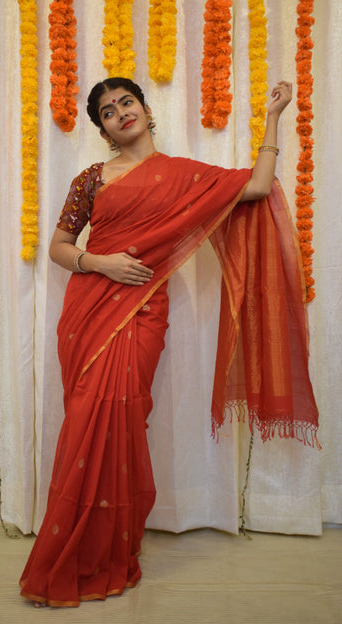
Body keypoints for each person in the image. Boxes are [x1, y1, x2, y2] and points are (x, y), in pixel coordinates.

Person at [19, 77, 318, 608]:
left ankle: (111, 554)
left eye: (126, 102)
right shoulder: (91, 179)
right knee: (87, 421)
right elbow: (60, 248)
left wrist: (273, 119)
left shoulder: (183, 176)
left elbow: (254, 186)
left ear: (145, 108)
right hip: (88, 312)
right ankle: (71, 553)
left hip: (144, 311)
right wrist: (101, 262)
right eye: (108, 111)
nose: (120, 112)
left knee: (125, 421)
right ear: (103, 128)